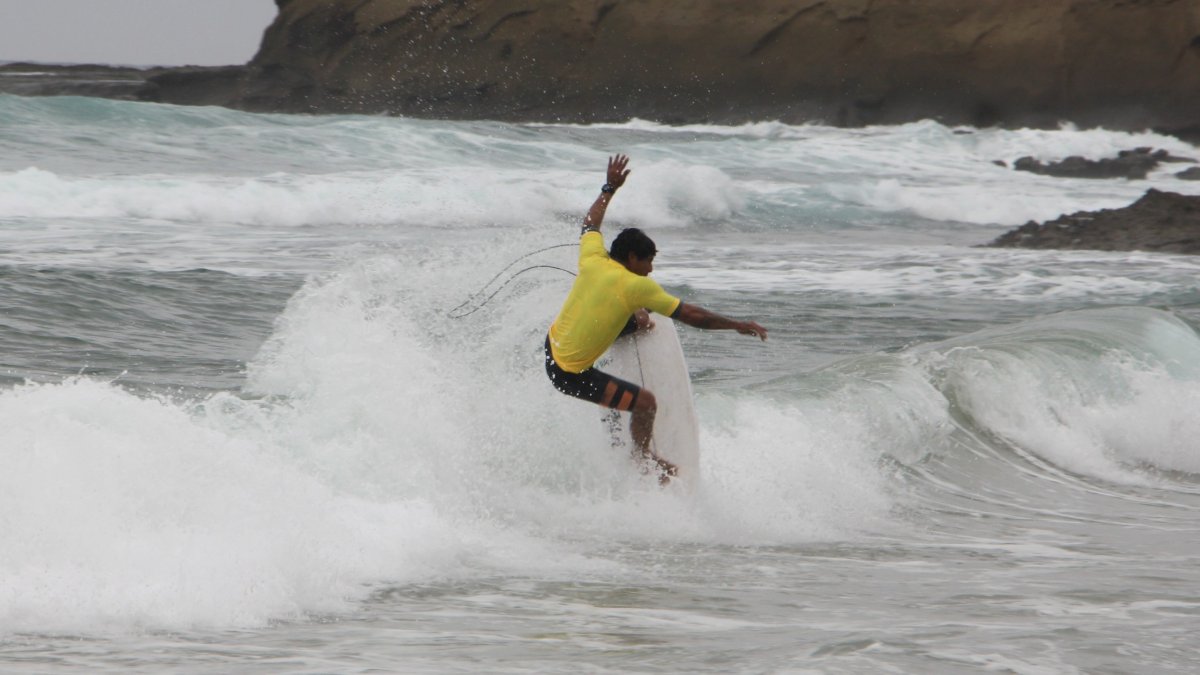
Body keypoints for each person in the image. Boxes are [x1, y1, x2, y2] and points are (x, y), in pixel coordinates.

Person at [544, 154, 767, 483]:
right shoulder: (636, 286)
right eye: (648, 260)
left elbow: (590, 223)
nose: (651, 268)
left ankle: (619, 386)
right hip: (569, 374)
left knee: (642, 320)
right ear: (633, 257)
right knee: (646, 403)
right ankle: (643, 458)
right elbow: (692, 315)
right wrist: (737, 325)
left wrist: (609, 188)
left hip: (553, 344)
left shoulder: (593, 257)